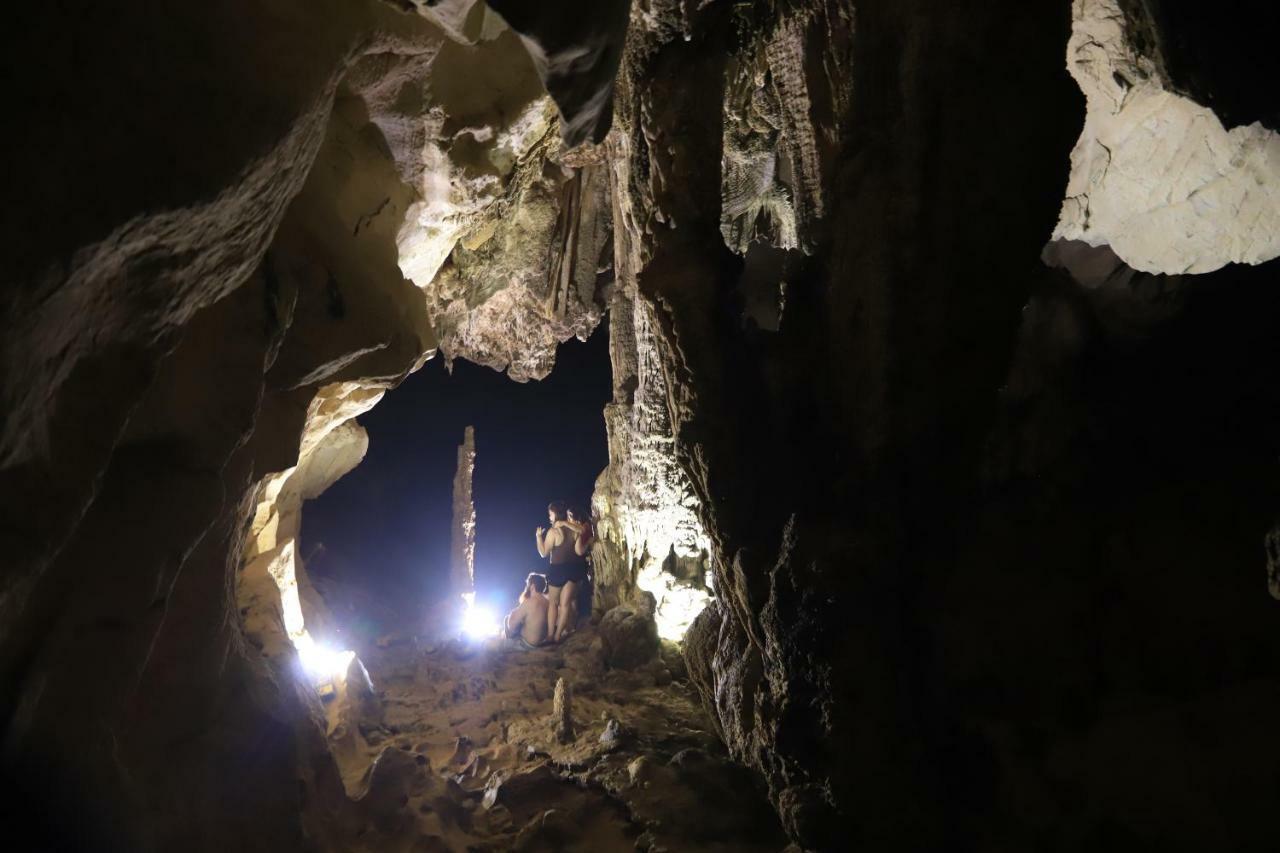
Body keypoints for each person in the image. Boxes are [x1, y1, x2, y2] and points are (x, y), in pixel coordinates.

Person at [534, 500, 587, 643]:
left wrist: (539, 538)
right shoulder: (575, 530)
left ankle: (551, 635)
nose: (549, 517)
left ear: (556, 514)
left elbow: (543, 553)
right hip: (573, 570)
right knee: (565, 605)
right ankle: (558, 636)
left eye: (550, 514)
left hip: (557, 570)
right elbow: (581, 537)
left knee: (553, 603)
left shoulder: (553, 532)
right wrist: (566, 524)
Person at [504, 573, 550, 650]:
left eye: (528, 584)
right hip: (542, 643)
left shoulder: (530, 602)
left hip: (527, 645)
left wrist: (512, 614)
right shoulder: (547, 602)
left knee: (507, 619)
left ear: (532, 586)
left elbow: (511, 626)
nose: (527, 587)